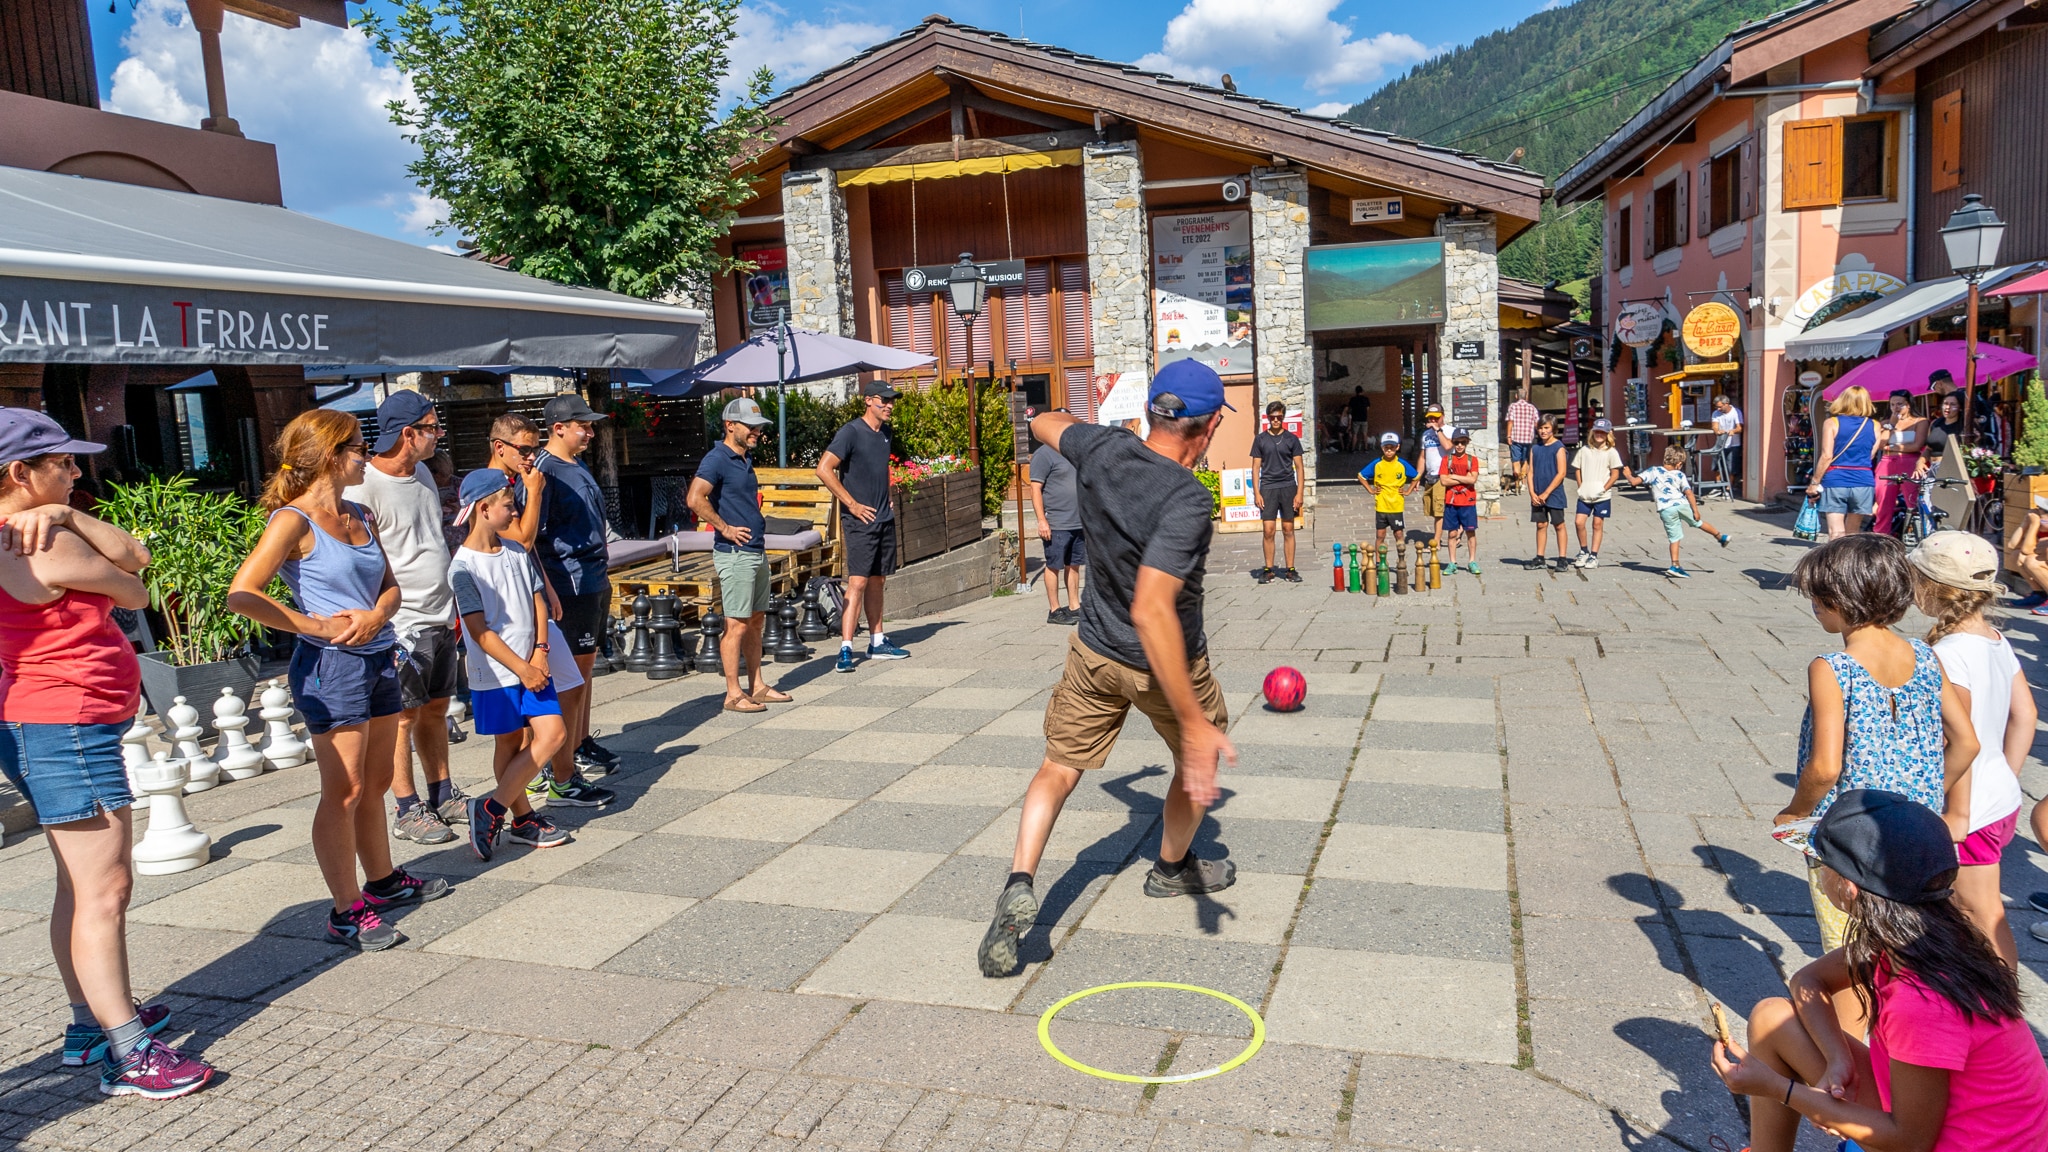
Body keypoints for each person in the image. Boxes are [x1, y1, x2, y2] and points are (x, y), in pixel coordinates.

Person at [978, 360, 1238, 977]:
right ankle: (1171, 868)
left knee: (1057, 767)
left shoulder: (1103, 446)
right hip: (1165, 666)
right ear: (1203, 429)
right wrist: (1196, 726)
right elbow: (1153, 611)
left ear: (1153, 414)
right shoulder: (1187, 501)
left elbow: (1041, 421)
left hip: (1093, 652)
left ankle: (1019, 880)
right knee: (1191, 759)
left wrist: (1038, 413)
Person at [0, 410, 212, 1098]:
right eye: (60, 463)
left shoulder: (45, 528)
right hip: (65, 726)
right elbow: (136, 583)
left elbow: (132, 554)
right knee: (106, 889)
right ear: (17, 473)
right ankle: (131, 1054)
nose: (76, 471)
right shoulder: (33, 548)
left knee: (78, 884)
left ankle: (89, 1024)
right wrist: (69, 533)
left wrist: (65, 513)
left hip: (57, 722)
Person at [1712, 790, 2048, 1152]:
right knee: (1771, 1017)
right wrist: (1837, 1058)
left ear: (1849, 887)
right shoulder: (1922, 938)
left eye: (1818, 862)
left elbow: (1910, 1141)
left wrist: (1779, 1089)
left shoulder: (1920, 1001)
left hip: (1940, 1140)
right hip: (1948, 1123)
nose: (1816, 870)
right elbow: (1808, 980)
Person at [229, 410, 450, 954]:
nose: (364, 454)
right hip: (332, 669)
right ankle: (346, 911)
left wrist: (378, 615)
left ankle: (383, 880)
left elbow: (390, 588)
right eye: (357, 446)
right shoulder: (292, 521)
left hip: (377, 657)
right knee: (345, 791)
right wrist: (312, 625)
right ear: (331, 455)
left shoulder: (361, 513)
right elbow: (244, 592)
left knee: (374, 783)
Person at [1779, 534, 1976, 1020]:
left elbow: (1825, 766)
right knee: (1902, 947)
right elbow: (1967, 742)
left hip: (1849, 839)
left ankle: (1857, 1049)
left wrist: (1796, 811)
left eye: (1818, 599)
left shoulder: (1833, 668)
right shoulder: (1926, 656)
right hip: (1914, 833)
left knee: (1849, 951)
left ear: (1840, 602)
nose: (1815, 609)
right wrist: (1926, 796)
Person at [342, 391, 463, 847]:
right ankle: (408, 807)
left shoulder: (426, 473)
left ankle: (442, 792)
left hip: (439, 611)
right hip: (402, 620)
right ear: (408, 434)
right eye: (432, 428)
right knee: (402, 717)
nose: (439, 435)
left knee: (437, 707)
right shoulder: (365, 485)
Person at [1907, 532, 2031, 967]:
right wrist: (2007, 778)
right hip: (1998, 797)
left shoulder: (1948, 653)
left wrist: (1953, 806)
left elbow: (1960, 741)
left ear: (1931, 587)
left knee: (1980, 912)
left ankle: (2005, 1011)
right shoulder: (1995, 639)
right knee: (1965, 913)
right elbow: (2025, 716)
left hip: (1969, 807)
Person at [451, 469, 571, 860]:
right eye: (509, 505)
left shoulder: (516, 551)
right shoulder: (463, 567)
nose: (515, 511)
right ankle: (521, 817)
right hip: (499, 674)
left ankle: (490, 808)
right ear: (483, 509)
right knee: (511, 741)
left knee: (552, 734)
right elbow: (480, 632)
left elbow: (537, 599)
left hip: (532, 664)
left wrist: (540, 651)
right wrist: (522, 667)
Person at [482, 413, 590, 807]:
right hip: (505, 612)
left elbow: (523, 551)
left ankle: (560, 776)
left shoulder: (514, 481)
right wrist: (536, 492)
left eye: (534, 448)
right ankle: (527, 785)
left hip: (532, 597)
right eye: (525, 450)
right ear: (500, 447)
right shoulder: (489, 487)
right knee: (521, 715)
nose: (532, 457)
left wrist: (545, 587)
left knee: (572, 684)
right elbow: (523, 538)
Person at [533, 394, 617, 806]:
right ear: (558, 428)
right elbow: (533, 537)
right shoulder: (545, 471)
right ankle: (556, 767)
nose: (589, 431)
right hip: (569, 585)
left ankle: (576, 745)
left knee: (584, 675)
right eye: (582, 424)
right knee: (569, 680)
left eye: (590, 424)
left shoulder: (575, 463)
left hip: (594, 579)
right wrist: (547, 589)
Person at [688, 398, 793, 711]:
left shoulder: (743, 458)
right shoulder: (716, 459)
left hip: (755, 551)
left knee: (755, 620)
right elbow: (695, 498)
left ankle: (756, 685)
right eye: (751, 426)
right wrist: (726, 528)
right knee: (736, 624)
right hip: (734, 553)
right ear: (729, 425)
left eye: (758, 427)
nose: (756, 432)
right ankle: (733, 694)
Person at [818, 380, 910, 672]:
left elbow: (880, 468)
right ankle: (845, 649)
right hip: (859, 521)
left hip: (883, 517)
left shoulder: (885, 433)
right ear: (868, 401)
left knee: (878, 579)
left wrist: (889, 496)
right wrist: (852, 505)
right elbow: (823, 468)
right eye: (884, 400)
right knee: (857, 581)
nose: (889, 405)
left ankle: (877, 640)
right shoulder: (850, 432)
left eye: (892, 400)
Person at [1635, 446, 1728, 579]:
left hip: (1665, 509)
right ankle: (1720, 536)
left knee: (1674, 538)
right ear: (1679, 464)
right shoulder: (1680, 474)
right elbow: (1688, 492)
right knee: (1698, 523)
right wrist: (1695, 510)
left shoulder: (1653, 470)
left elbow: (1634, 482)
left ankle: (1675, 565)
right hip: (1681, 505)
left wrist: (1627, 474)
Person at [1028, 412, 1085, 622]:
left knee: (1074, 565)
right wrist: (1042, 520)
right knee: (1054, 565)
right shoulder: (1044, 454)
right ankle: (1054, 609)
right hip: (1056, 522)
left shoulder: (1075, 452)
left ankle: (1074, 605)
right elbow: (1035, 490)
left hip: (1078, 520)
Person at [1806, 386, 1880, 539]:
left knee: (1836, 532)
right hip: (1863, 480)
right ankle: (1850, 561)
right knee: (1853, 531)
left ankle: (1834, 561)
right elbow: (1871, 454)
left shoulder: (1832, 423)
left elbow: (1827, 455)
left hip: (1836, 479)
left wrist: (1815, 482)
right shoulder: (1875, 425)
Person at [1249, 401, 1304, 583]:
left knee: (1288, 529)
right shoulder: (1261, 439)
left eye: (1279, 417)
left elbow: (1299, 467)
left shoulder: (1291, 439)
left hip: (1288, 486)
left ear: (1283, 417)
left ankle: (1290, 569)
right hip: (1268, 487)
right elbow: (1256, 468)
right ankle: (1268, 569)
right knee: (1268, 530)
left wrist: (1300, 493)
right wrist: (1256, 493)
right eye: (1272, 417)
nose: (1275, 420)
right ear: (1268, 418)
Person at [1569, 418, 1633, 570]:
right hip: (1585, 493)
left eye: (1602, 432)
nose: (1599, 435)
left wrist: (1604, 488)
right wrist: (1580, 485)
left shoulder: (1611, 452)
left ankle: (1594, 555)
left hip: (1602, 495)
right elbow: (1577, 468)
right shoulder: (1584, 450)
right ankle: (1583, 550)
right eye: (1597, 431)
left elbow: (1615, 474)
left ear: (1608, 434)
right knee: (1579, 522)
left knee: (1597, 524)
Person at [1873, 389, 1927, 537]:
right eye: (1892, 405)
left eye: (1900, 404)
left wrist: (1893, 447)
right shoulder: (1885, 423)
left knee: (1913, 500)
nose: (1896, 408)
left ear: (1908, 405)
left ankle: (1916, 533)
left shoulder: (1920, 421)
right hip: (1887, 461)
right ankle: (1881, 535)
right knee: (1883, 500)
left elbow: (1917, 445)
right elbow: (1881, 444)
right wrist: (1891, 425)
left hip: (1909, 461)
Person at [1358, 432, 1417, 562]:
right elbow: (1361, 476)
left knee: (1399, 534)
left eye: (1392, 447)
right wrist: (1371, 490)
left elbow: (1416, 476)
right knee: (1380, 535)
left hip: (1396, 505)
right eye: (1386, 448)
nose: (1389, 451)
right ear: (1382, 447)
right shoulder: (1377, 463)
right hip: (1381, 505)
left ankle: (1401, 560)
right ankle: (1379, 562)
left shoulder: (1401, 464)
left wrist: (1408, 491)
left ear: (1397, 447)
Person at [1527, 416, 1569, 570]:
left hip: (1554, 493)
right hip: (1537, 492)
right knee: (1541, 524)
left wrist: (1547, 493)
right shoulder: (1535, 448)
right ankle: (1540, 557)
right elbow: (1530, 471)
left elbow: (1561, 473)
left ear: (1553, 429)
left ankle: (1562, 558)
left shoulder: (1559, 447)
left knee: (1559, 524)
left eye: (1546, 428)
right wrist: (1532, 492)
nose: (1543, 431)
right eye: (1540, 428)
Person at [1439, 427, 1480, 574]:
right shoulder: (1447, 460)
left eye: (1463, 442)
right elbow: (1444, 481)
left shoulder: (1472, 460)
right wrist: (1464, 479)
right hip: (1451, 501)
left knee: (1470, 532)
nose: (1460, 445)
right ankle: (1452, 562)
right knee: (1452, 533)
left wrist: (1454, 476)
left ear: (1467, 442)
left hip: (1467, 501)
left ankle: (1472, 561)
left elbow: (1473, 479)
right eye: (1457, 442)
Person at [1419, 404, 1446, 545]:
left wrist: (1438, 430)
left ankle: (1436, 541)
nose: (1433, 420)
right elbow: (1423, 457)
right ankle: (1458, 530)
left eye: (1436, 417)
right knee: (1431, 509)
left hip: (1443, 476)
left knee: (1438, 510)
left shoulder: (1449, 431)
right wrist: (1417, 477)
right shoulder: (1425, 434)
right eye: (1430, 418)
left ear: (1443, 416)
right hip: (1430, 476)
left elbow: (1448, 446)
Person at [1505, 387, 1538, 496]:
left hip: (1516, 438)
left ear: (1516, 396)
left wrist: (1508, 436)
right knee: (1525, 461)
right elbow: (1536, 423)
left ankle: (1517, 483)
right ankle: (1524, 483)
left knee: (1516, 461)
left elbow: (1510, 422)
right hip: (1528, 438)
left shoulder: (1513, 407)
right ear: (1526, 396)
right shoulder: (1532, 407)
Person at [1710, 393, 1743, 498]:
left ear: (1726, 404)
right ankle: (1718, 486)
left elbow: (1739, 428)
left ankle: (1729, 487)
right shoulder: (1716, 413)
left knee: (1731, 466)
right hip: (1720, 444)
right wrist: (1718, 431)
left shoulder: (1736, 412)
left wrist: (1732, 431)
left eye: (1720, 406)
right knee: (1717, 465)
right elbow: (1714, 426)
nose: (1718, 409)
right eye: (1717, 407)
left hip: (1733, 443)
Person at [1347, 386, 1370, 452]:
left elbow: (1350, 409)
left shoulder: (1353, 399)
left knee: (1355, 434)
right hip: (1364, 418)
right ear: (1362, 391)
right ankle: (1365, 448)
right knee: (1365, 434)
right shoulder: (1366, 399)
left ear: (1355, 391)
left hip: (1355, 419)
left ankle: (1353, 449)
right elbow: (1367, 409)